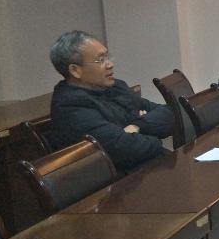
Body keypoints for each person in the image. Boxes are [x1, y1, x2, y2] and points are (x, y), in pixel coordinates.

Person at [48, 30, 173, 172]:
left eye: (107, 57)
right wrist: (154, 134)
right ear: (75, 70)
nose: (110, 64)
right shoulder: (71, 106)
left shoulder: (116, 87)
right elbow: (127, 149)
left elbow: (168, 113)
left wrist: (137, 126)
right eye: (101, 60)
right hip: (126, 179)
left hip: (154, 165)